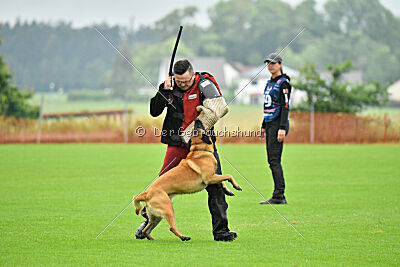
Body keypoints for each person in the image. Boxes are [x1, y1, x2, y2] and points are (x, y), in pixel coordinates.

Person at [135, 59, 237, 241]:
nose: (182, 84)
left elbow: (218, 107)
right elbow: (154, 111)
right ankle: (146, 222)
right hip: (176, 143)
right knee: (160, 185)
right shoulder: (169, 86)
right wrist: (162, 91)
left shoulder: (205, 83)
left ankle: (221, 231)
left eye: (186, 81)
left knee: (215, 187)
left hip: (201, 145)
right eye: (179, 81)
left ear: (193, 74)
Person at [260, 53, 291, 205]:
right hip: (270, 123)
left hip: (278, 124)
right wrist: (263, 125)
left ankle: (279, 195)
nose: (270, 65)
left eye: (273, 63)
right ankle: (278, 194)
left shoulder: (283, 83)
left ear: (279, 64)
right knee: (272, 160)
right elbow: (268, 106)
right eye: (268, 63)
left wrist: (282, 128)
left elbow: (285, 106)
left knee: (274, 160)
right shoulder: (269, 83)